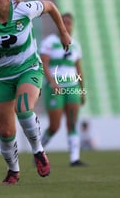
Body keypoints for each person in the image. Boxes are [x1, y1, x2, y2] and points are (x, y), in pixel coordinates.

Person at [0, 0, 72, 185]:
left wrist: (63, 33)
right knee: (6, 131)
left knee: (23, 108)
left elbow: (50, 6)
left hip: (28, 68)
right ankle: (13, 171)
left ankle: (39, 152)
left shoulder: (24, 9)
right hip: (0, 77)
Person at [39, 13, 87, 167]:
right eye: (64, 22)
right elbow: (44, 64)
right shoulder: (49, 42)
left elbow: (79, 69)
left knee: (72, 123)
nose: (67, 26)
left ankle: (74, 158)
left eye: (69, 23)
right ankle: (38, 152)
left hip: (72, 87)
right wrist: (52, 82)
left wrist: (82, 90)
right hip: (55, 88)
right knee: (55, 126)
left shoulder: (76, 45)